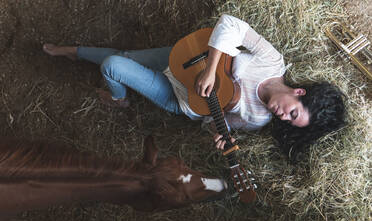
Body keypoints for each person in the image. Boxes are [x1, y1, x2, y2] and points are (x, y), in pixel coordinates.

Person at [43, 14, 346, 160]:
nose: (282, 117)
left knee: (113, 66)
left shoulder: (258, 119)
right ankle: (73, 51)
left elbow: (207, 119)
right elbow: (229, 24)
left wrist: (216, 131)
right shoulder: (272, 61)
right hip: (188, 61)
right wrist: (212, 70)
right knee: (124, 58)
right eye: (293, 113)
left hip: (178, 96)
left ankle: (118, 98)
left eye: (289, 122)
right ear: (299, 93)